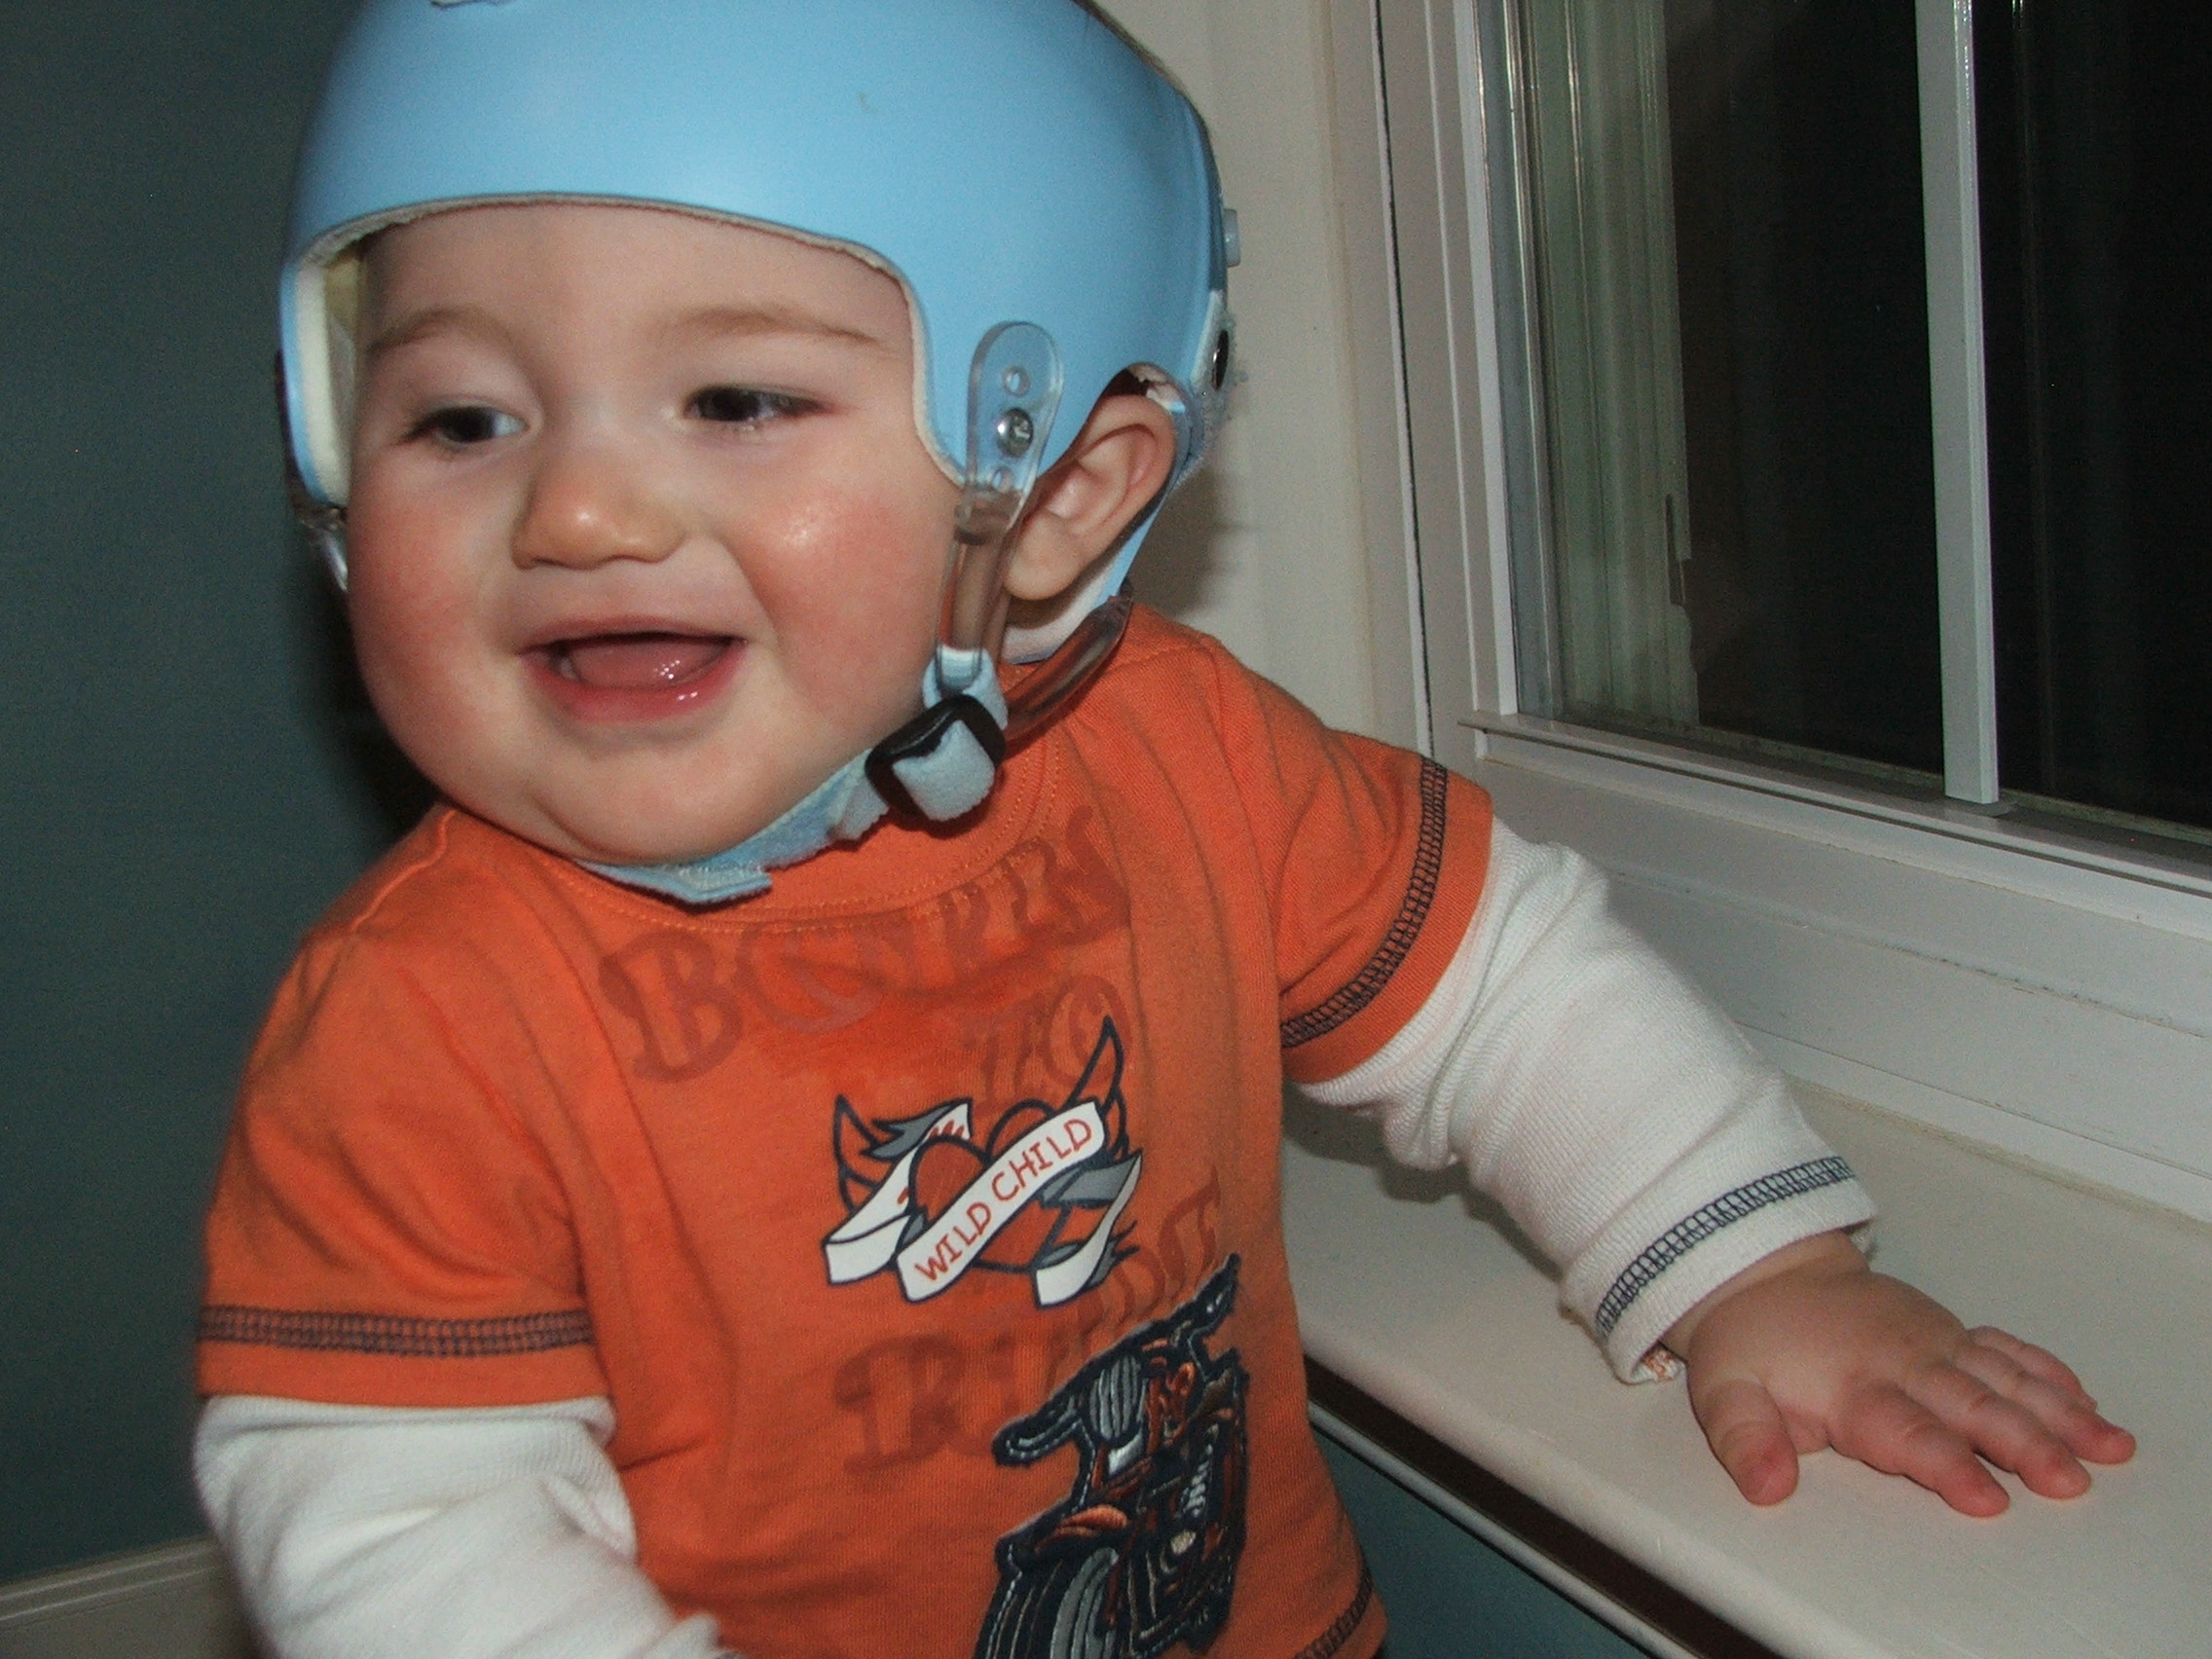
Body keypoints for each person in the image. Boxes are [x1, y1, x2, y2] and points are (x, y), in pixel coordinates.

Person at [193, 3, 2134, 1657]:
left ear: (1056, 492)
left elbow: (1501, 985)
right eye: (462, 421)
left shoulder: (1182, 755)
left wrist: (1757, 1274)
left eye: (733, 398)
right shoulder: (422, 1020)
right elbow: (401, 1532)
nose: (576, 514)